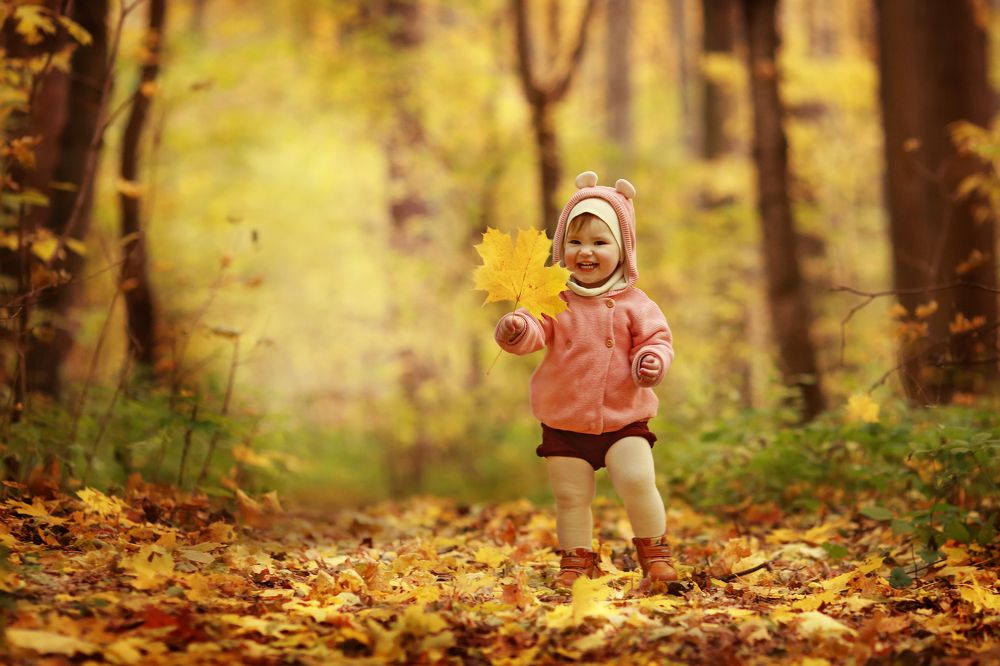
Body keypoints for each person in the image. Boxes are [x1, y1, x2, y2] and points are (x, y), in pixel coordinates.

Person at [494, 171, 678, 590]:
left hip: (624, 417)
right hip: (565, 420)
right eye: (575, 242)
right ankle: (577, 561)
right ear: (562, 248)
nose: (586, 251)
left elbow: (657, 341)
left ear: (623, 249)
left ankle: (655, 555)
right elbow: (534, 329)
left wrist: (651, 360)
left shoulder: (636, 303)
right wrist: (516, 329)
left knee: (637, 480)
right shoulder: (553, 297)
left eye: (600, 242)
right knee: (571, 496)